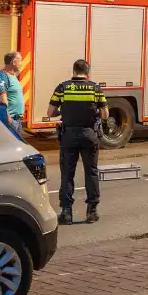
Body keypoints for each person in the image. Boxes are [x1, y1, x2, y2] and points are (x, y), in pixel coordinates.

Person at [47, 59, 108, 224]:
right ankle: (91, 211)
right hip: (89, 135)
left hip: (69, 136)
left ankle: (66, 212)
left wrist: (65, 112)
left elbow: (50, 112)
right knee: (92, 172)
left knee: (67, 174)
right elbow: (105, 115)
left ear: (73, 71)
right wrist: (92, 113)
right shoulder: (95, 88)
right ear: (87, 73)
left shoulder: (63, 87)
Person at [0, 51, 26, 138]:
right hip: (10, 120)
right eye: (20, 60)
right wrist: (7, 116)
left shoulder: (12, 76)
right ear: (13, 62)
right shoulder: (3, 76)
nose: (21, 63)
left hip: (16, 120)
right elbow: (0, 98)